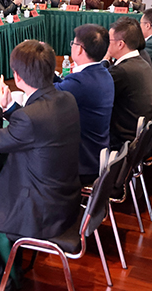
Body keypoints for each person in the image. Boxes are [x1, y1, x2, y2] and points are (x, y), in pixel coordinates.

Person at [0, 41, 81, 291]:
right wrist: (10, 107)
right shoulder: (66, 99)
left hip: (38, 213)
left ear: (17, 77)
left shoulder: (31, 117)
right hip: (66, 202)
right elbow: (35, 127)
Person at [54, 24, 115, 186]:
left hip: (83, 163)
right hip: (98, 154)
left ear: (80, 49)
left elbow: (48, 94)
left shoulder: (81, 82)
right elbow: (63, 86)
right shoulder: (103, 73)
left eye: (73, 43)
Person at [107, 17, 152, 150]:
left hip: (123, 138)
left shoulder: (122, 71)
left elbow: (98, 89)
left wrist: (104, 61)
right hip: (142, 134)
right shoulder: (142, 62)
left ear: (120, 44)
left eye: (109, 40)